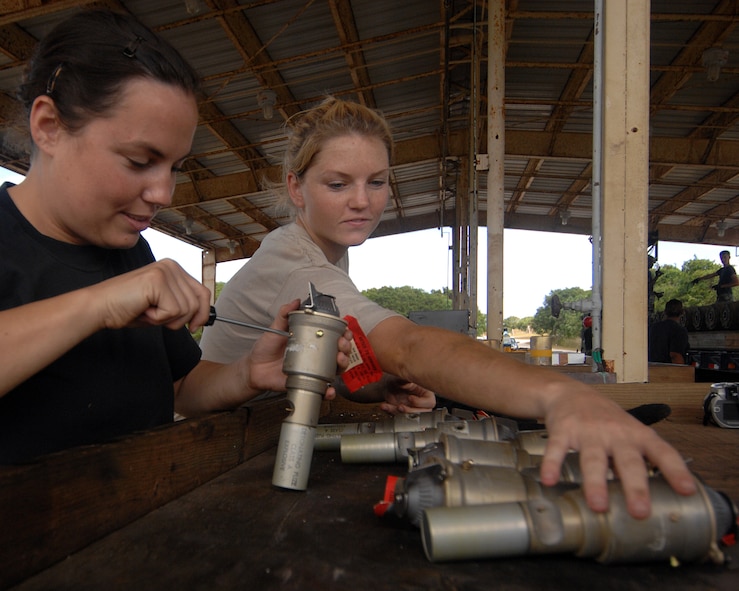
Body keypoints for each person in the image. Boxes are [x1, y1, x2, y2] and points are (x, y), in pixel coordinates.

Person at [200, 96, 697, 519]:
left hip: (257, 441)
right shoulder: (298, 264)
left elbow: (331, 366)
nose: (362, 201)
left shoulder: (322, 252)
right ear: (295, 188)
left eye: (376, 182)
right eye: (337, 184)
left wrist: (379, 388)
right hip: (209, 458)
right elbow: (408, 345)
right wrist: (559, 396)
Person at [0, 10, 352, 465]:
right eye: (139, 160)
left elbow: (182, 390)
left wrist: (248, 373)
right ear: (48, 126)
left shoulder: (130, 253)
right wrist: (100, 304)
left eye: (174, 168)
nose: (163, 193)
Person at [648, 299, 690, 364]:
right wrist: (681, 372)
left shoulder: (652, 328)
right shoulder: (679, 330)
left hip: (651, 368)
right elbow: (675, 355)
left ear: (665, 312)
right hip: (667, 370)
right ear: (682, 312)